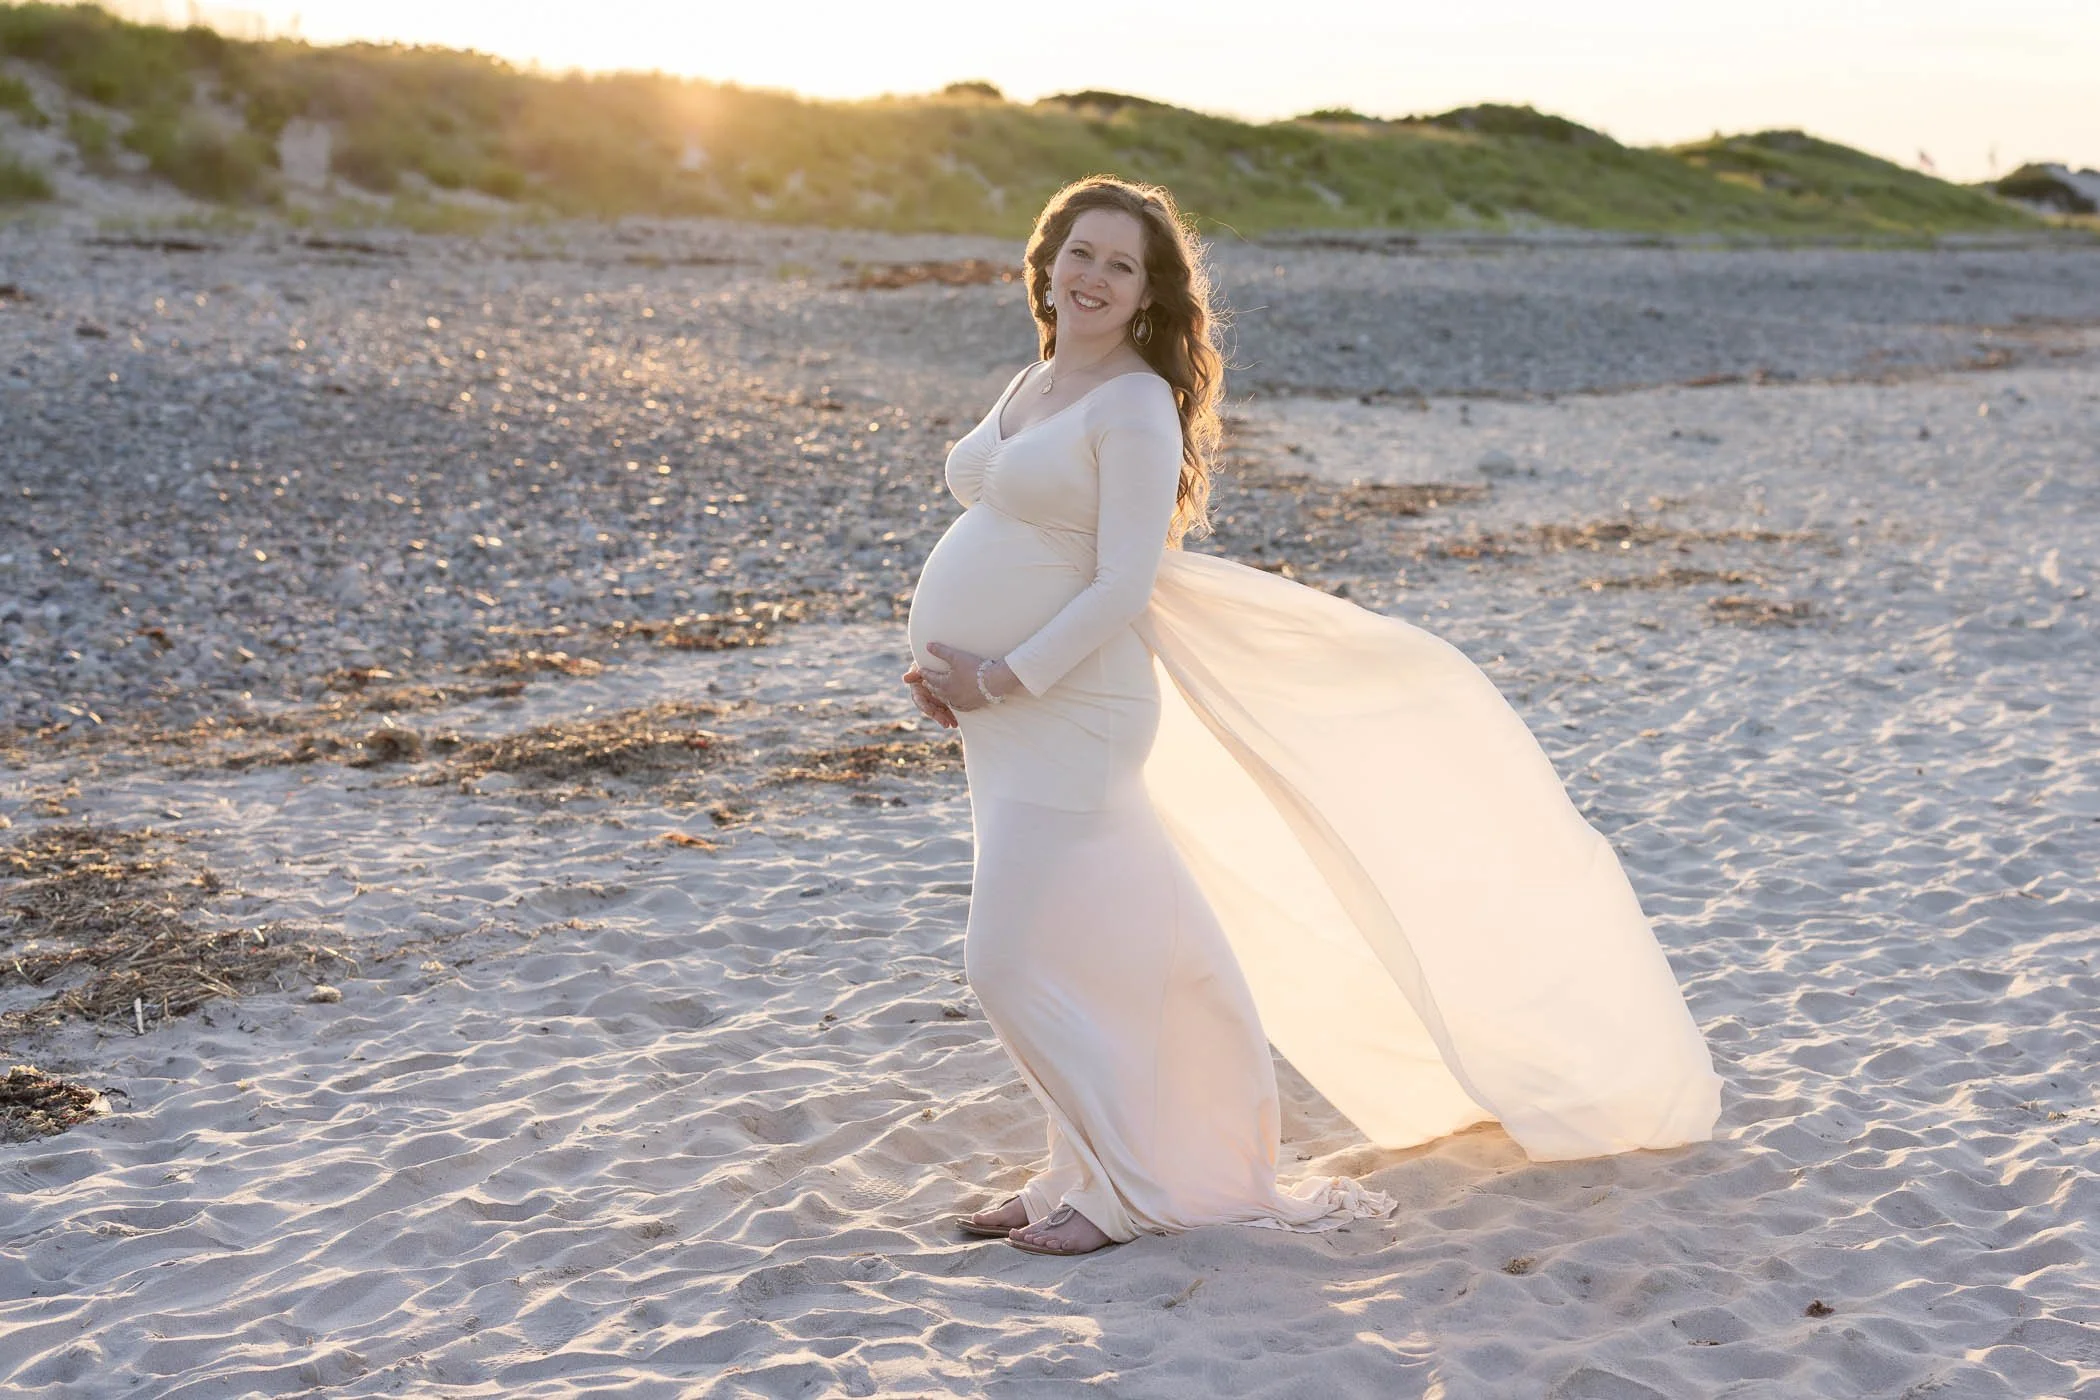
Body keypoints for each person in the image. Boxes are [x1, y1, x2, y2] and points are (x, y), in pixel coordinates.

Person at [901, 176, 1722, 1258]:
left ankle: (1129, 1187)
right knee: (1076, 947)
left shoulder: (1136, 403)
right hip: (1007, 717)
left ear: (1148, 293)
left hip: (1073, 707)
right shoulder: (1036, 379)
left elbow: (1122, 584)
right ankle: (1075, 1170)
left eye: (1121, 265)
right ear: (1047, 262)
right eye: (1081, 253)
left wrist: (1003, 674)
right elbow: (1012, 524)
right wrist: (960, 679)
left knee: (1004, 958)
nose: (1094, 277)